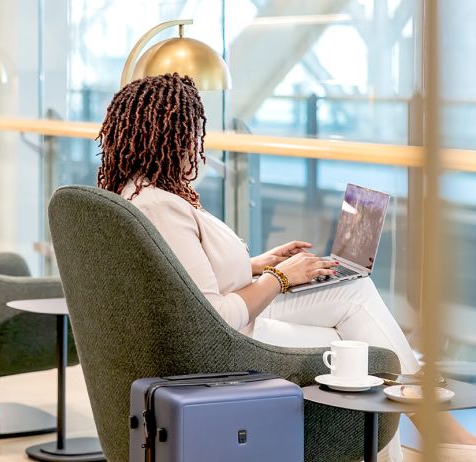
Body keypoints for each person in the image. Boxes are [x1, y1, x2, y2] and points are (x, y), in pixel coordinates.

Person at [96, 73, 475, 460]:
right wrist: (280, 277)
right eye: (193, 134)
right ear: (169, 136)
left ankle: (427, 421)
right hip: (229, 341)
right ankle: (431, 421)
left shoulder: (141, 193)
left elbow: (187, 278)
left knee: (354, 296)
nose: (198, 147)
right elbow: (217, 316)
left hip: (234, 314)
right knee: (363, 346)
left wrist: (258, 264)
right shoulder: (161, 206)